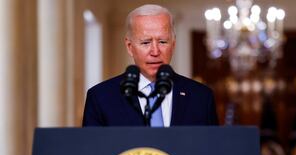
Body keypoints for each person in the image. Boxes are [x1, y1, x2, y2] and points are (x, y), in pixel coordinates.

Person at [82, 4, 218, 127]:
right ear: (130, 47)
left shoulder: (201, 97)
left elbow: (211, 151)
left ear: (173, 45)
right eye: (146, 42)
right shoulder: (101, 98)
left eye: (163, 42)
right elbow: (92, 152)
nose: (155, 51)